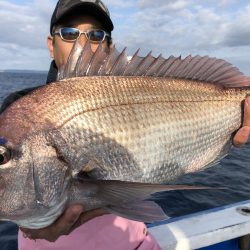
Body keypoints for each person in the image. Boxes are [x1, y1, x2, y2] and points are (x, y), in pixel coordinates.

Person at [0, 0, 250, 249]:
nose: (82, 43)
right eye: (69, 33)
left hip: (132, 241)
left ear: (110, 46)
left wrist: (232, 122)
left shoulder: (135, 89)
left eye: (97, 34)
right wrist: (33, 228)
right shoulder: (19, 110)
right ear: (51, 45)